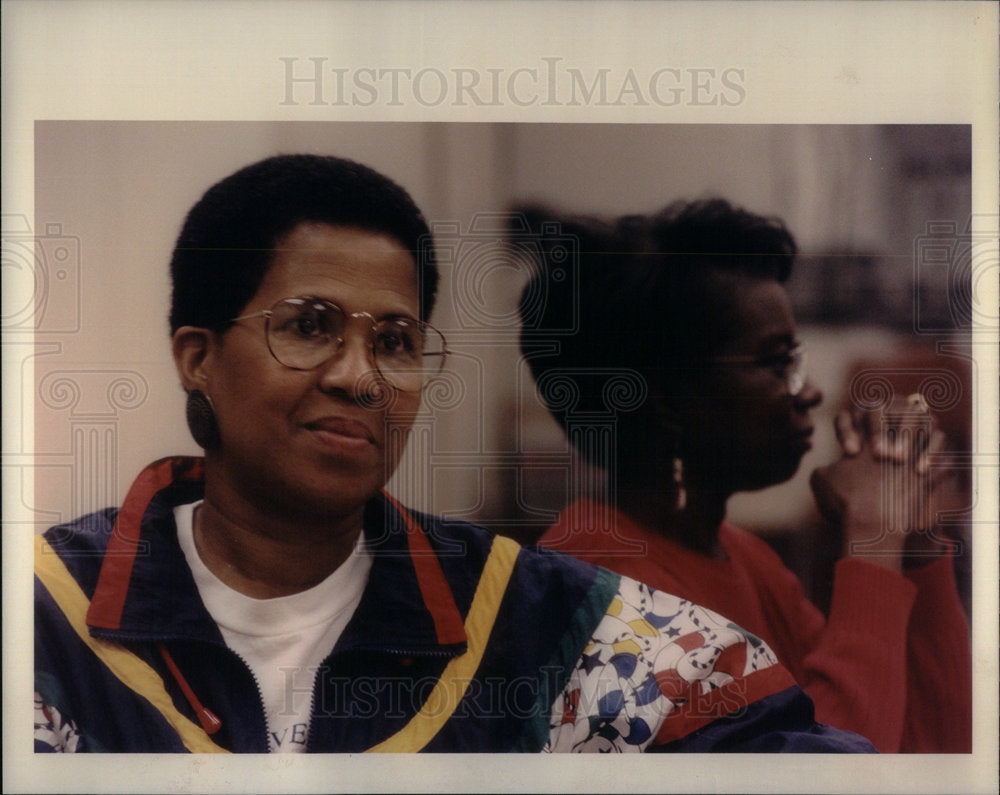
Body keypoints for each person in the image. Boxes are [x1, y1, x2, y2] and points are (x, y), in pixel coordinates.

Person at [34, 156, 874, 754]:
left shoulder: (535, 623)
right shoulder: (50, 617)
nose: (361, 376)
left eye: (395, 340)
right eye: (308, 325)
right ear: (198, 355)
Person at [519, 198, 972, 753]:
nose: (810, 392)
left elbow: (932, 754)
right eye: (775, 363)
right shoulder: (597, 587)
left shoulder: (744, 559)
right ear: (662, 398)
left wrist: (917, 543)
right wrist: (871, 543)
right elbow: (834, 782)